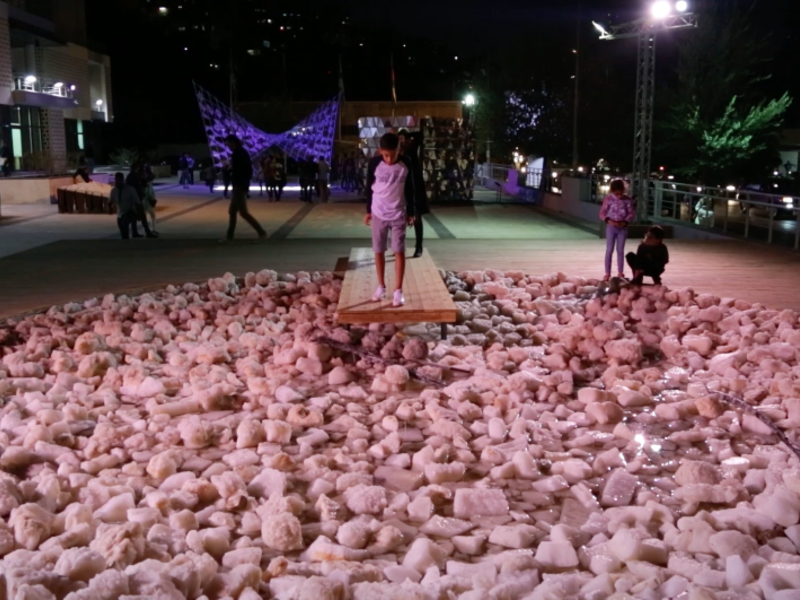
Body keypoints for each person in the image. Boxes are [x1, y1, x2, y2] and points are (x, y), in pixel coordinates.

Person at [363, 133, 418, 308]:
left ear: (399, 150)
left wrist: (412, 211)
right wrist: (367, 211)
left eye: (392, 155)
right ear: (380, 151)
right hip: (378, 212)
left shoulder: (406, 163)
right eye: (385, 155)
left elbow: (410, 187)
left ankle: (398, 291)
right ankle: (381, 286)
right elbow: (368, 188)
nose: (388, 159)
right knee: (378, 250)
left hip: (398, 214)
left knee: (398, 251)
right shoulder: (374, 163)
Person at [221, 134, 267, 242]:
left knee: (243, 212)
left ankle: (262, 232)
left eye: (227, 143)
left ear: (233, 142)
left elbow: (245, 171)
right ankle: (229, 236)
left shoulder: (239, 153)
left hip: (239, 186)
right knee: (232, 211)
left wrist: (241, 184)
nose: (227, 145)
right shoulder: (240, 152)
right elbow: (243, 169)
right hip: (238, 185)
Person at [398, 129, 429, 258]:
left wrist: (407, 135)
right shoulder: (397, 152)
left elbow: (420, 135)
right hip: (401, 188)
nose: (401, 141)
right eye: (399, 139)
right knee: (398, 219)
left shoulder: (411, 149)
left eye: (402, 138)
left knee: (416, 217)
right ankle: (399, 246)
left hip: (415, 186)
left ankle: (418, 247)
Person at [599, 179, 636, 281]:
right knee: (609, 250)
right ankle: (607, 272)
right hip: (611, 227)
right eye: (616, 193)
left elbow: (631, 213)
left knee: (620, 250)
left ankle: (620, 272)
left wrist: (625, 222)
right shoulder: (608, 199)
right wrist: (608, 220)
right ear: (612, 191)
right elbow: (602, 213)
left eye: (621, 193)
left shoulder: (628, 200)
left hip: (622, 228)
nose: (619, 195)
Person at [126, 162, 157, 238]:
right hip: (136, 199)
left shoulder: (131, 176)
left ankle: (135, 232)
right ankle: (147, 232)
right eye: (138, 168)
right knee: (142, 216)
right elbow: (137, 188)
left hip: (133, 199)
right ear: (135, 168)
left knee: (134, 217)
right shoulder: (133, 177)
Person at [111, 172, 142, 240]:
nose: (116, 181)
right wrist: (110, 207)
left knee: (125, 223)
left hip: (130, 211)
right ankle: (125, 240)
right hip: (120, 213)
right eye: (115, 179)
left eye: (117, 179)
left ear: (122, 180)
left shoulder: (130, 189)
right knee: (122, 228)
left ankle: (126, 239)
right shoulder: (114, 190)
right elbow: (110, 200)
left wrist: (139, 214)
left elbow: (138, 202)